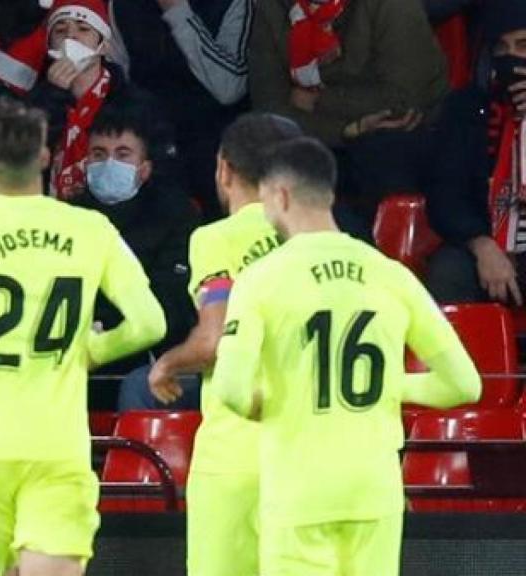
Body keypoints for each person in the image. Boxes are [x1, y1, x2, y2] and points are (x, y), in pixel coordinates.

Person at [0, 96, 166, 576]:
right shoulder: (91, 228)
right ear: (45, 157)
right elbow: (151, 323)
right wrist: (92, 349)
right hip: (55, 446)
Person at [213, 137, 481, 575]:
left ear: (280, 195)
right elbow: (464, 384)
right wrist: (388, 385)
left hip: (300, 494)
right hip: (374, 493)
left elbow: (230, 388)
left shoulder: (261, 279)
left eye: (263, 200)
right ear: (329, 195)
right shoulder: (391, 274)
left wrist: (269, 396)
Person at [140, 113, 301, 575]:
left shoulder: (216, 238)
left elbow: (214, 338)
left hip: (237, 457)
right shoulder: (329, 243)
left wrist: (167, 364)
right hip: (310, 456)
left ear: (223, 169)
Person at [248, 0, 449, 239]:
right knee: (266, 158)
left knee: (381, 154)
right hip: (319, 132)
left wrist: (319, 100)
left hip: (399, 132)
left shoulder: (392, 6)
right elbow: (270, 108)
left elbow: (402, 99)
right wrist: (345, 129)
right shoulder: (272, 9)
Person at [72, 94, 200, 399]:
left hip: (148, 358)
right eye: (99, 154)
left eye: (123, 154)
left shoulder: (176, 214)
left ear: (144, 168)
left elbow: (172, 304)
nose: (109, 163)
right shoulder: (68, 216)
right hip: (76, 356)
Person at [109, 0, 254, 220]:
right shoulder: (121, 5)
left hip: (216, 159)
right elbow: (119, 84)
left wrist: (177, 11)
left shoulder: (234, 4)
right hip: (150, 157)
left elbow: (229, 88)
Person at [426, 0, 526, 307]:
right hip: (488, 246)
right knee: (448, 271)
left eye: (523, 46)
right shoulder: (467, 109)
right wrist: (481, 244)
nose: (511, 57)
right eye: (502, 48)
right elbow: (445, 195)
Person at [30, 0, 151, 201]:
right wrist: (52, 97)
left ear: (103, 45)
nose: (71, 36)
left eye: (83, 29)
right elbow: (24, 159)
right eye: (60, 30)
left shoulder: (134, 104)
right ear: (49, 45)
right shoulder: (33, 104)